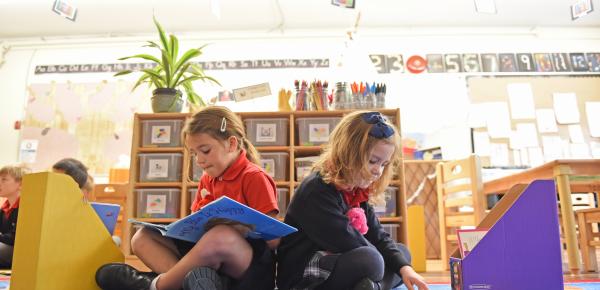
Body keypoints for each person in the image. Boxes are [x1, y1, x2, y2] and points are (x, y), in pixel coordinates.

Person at [96, 106, 279, 290]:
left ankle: (154, 286)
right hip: (208, 258)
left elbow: (274, 240)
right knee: (142, 237)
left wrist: (239, 228)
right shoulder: (208, 179)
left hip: (248, 267)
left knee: (221, 235)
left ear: (231, 144)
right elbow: (194, 226)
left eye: (205, 150)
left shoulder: (254, 176)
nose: (199, 160)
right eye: (194, 153)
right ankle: (197, 284)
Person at [276, 111, 428, 290]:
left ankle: (371, 287)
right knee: (372, 260)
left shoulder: (356, 189)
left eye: (384, 164)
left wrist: (405, 268)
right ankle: (374, 285)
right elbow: (346, 240)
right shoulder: (316, 190)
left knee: (402, 254)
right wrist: (385, 259)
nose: (378, 171)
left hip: (339, 259)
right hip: (305, 275)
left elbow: (377, 234)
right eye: (373, 161)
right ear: (348, 153)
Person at [0, 165, 30, 268]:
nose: (0, 183)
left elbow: (16, 238)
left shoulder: (26, 207)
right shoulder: (5, 207)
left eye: (4, 179)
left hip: (19, 251)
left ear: (21, 184)